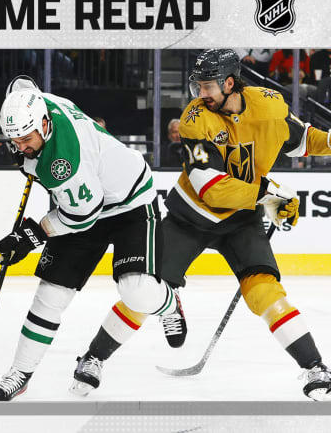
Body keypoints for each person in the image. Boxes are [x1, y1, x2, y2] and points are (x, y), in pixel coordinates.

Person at [83, 49, 331, 400]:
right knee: (146, 289)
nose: (200, 93)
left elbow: (301, 139)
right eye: (197, 85)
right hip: (190, 219)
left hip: (242, 222)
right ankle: (94, 357)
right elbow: (209, 187)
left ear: (230, 83)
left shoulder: (271, 106)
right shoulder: (193, 119)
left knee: (265, 294)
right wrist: (270, 194)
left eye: (207, 86)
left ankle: (315, 367)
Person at [0, 75, 186, 401]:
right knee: (50, 295)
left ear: (45, 123)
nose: (21, 146)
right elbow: (21, 84)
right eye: (14, 140)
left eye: (26, 139)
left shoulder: (64, 163)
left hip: (129, 203)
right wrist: (27, 154)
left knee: (137, 292)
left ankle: (168, 302)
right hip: (85, 197)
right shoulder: (39, 104)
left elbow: (82, 217)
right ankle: (20, 373)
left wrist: (31, 235)